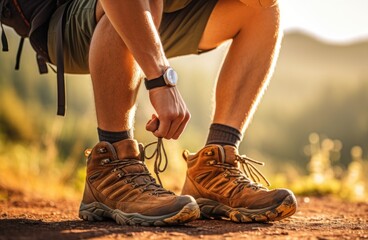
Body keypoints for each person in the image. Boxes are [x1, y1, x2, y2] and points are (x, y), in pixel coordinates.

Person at [47, 0, 297, 226]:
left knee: (262, 10)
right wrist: (161, 81)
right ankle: (113, 166)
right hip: (66, 20)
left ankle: (212, 172)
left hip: (159, 13)